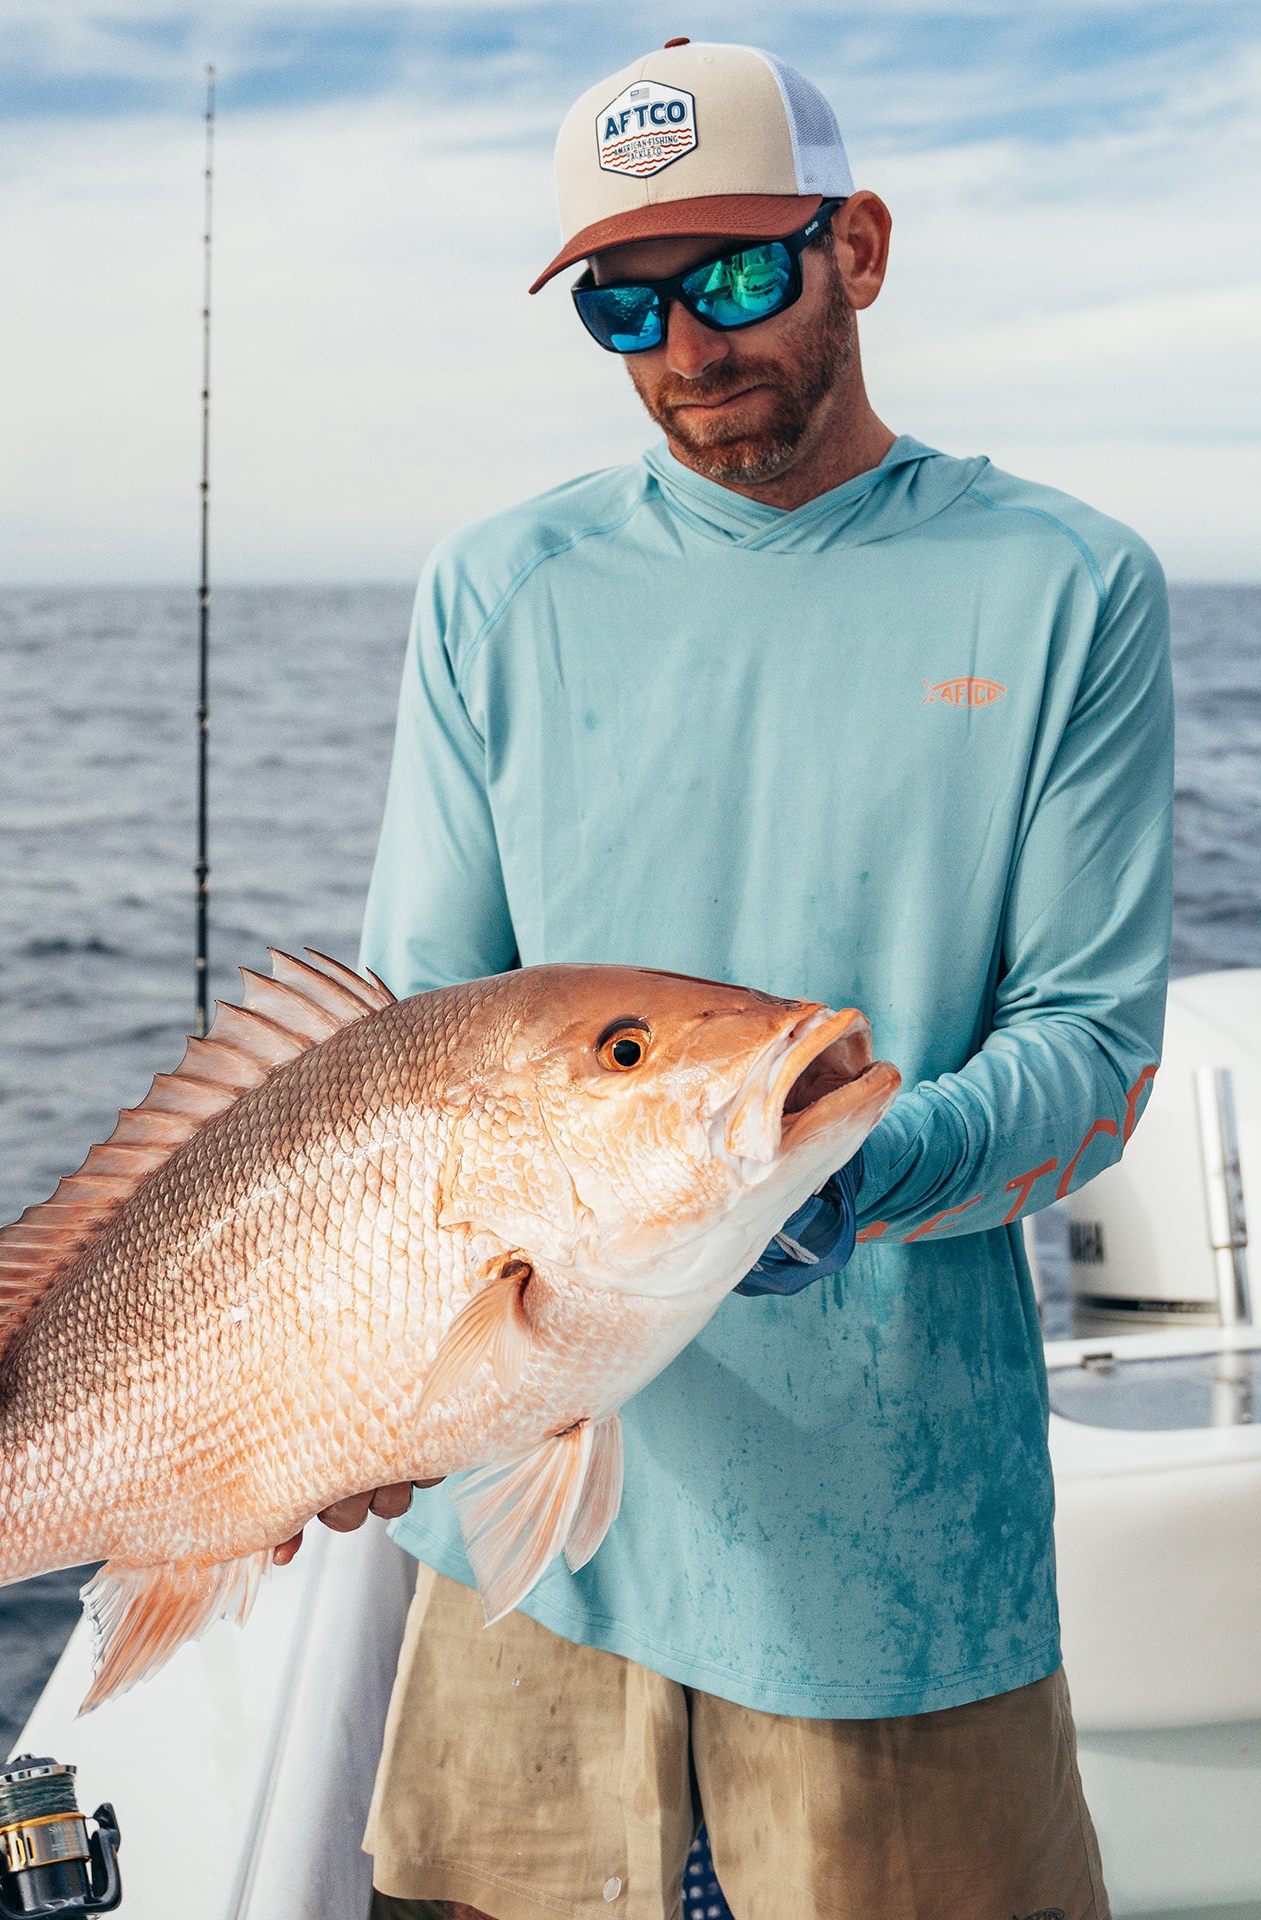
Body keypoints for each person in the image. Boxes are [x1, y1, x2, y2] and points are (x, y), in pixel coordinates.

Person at [285, 37, 1172, 1920]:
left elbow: (1091, 1052)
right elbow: (411, 1041)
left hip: (895, 1556)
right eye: (626, 301)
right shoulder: (497, 588)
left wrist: (856, 1177)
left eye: (741, 278)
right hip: (522, 1541)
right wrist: (355, 1374)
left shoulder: (1065, 584)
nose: (689, 348)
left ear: (855, 242)